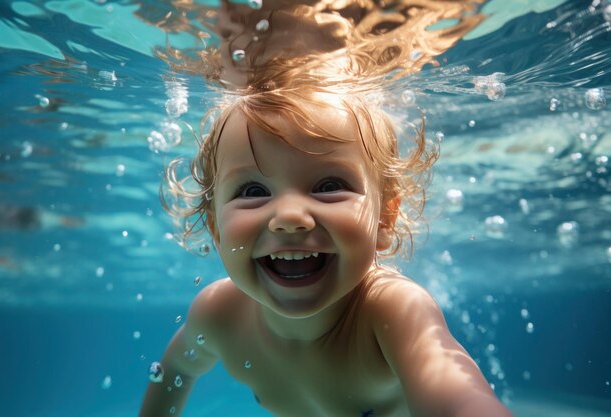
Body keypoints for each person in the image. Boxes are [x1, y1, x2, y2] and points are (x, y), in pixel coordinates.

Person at [139, 81, 514, 416]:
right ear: (216, 229)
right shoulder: (219, 314)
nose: (289, 216)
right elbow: (176, 370)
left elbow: (456, 396)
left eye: (330, 185)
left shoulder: (391, 311)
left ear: (384, 219)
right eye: (252, 192)